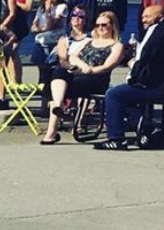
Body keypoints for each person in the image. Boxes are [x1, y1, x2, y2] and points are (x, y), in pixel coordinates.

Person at [95, 5, 164, 151]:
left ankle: (116, 139)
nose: (144, 19)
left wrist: (132, 67)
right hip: (161, 85)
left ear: (159, 17)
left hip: (160, 87)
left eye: (148, 16)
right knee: (122, 97)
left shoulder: (158, 31)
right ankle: (147, 126)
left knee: (113, 95)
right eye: (143, 16)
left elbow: (147, 59)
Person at [41, 11, 124, 144]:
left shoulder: (117, 45)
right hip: (79, 74)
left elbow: (108, 66)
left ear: (112, 26)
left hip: (96, 80)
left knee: (57, 89)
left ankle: (53, 127)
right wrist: (82, 65)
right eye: (97, 25)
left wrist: (90, 70)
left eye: (104, 25)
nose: (100, 28)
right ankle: (57, 108)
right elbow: (73, 56)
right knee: (59, 71)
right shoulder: (90, 41)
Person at [2, 0, 35, 84]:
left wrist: (15, 3)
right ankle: (10, 79)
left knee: (14, 51)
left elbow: (28, 7)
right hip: (10, 23)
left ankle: (17, 80)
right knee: (8, 52)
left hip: (20, 23)